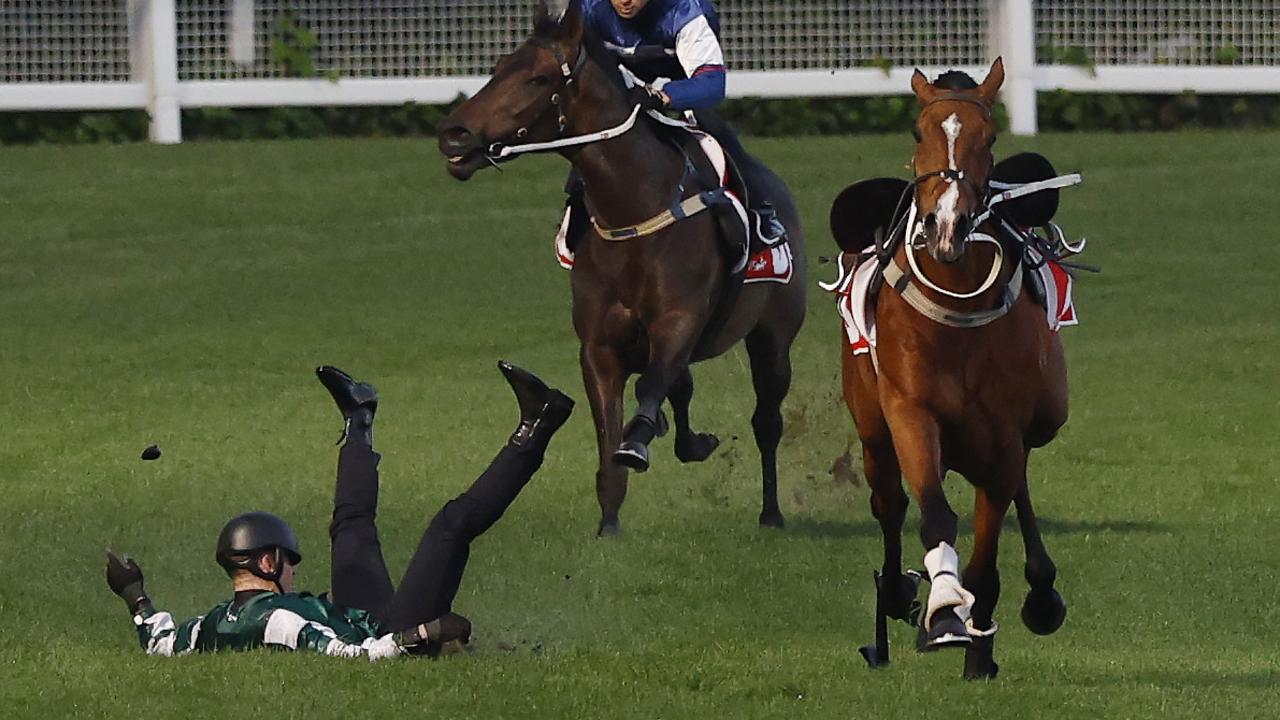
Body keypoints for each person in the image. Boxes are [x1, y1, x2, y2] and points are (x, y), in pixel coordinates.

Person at [105, 361, 574, 660]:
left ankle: (358, 417)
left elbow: (158, 642)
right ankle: (538, 424)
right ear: (268, 562)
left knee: (350, 528)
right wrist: (423, 634)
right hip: (388, 631)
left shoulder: (210, 625)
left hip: (359, 615)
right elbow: (358, 656)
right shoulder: (279, 621)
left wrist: (134, 594)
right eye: (288, 563)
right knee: (450, 526)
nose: (293, 574)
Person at [558, 0, 786, 255]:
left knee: (711, 126)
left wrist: (665, 96)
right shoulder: (587, 8)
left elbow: (712, 83)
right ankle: (576, 206)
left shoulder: (685, 11)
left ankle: (760, 210)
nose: (624, 1)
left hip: (678, 82)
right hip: (620, 83)